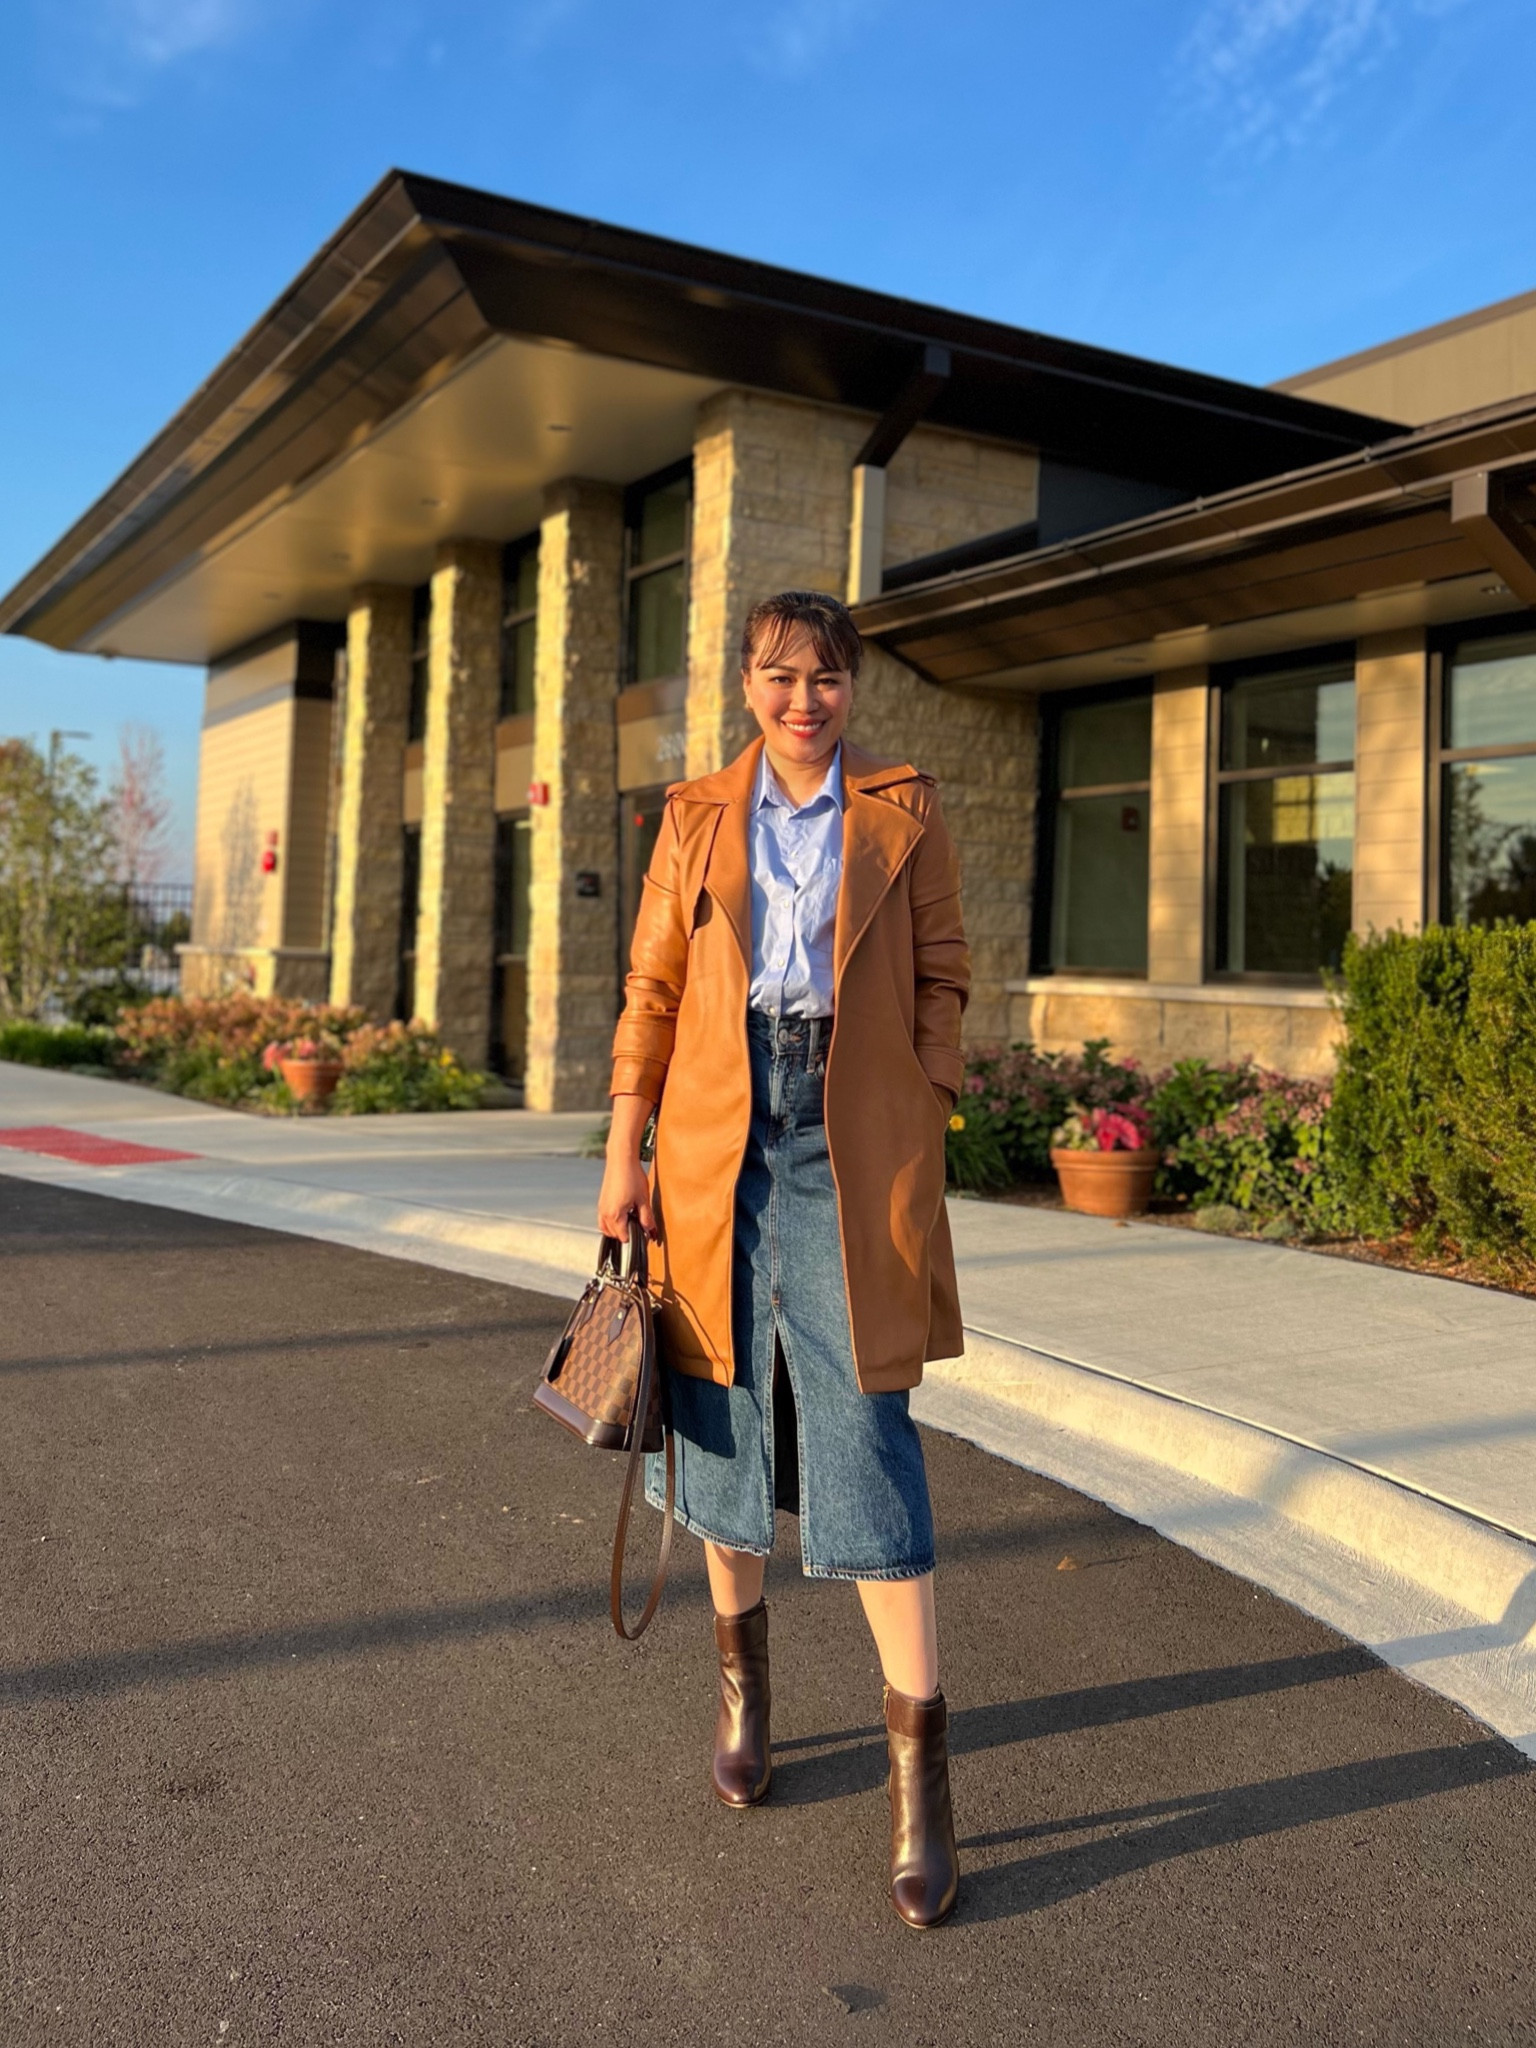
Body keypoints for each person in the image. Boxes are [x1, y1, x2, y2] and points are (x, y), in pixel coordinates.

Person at [599, 588, 969, 1928]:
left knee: (869, 1428)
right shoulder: (697, 814)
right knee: (720, 1410)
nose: (801, 699)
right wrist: (623, 1150)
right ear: (746, 686)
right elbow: (650, 988)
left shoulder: (905, 812)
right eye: (776, 675)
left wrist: (920, 1091)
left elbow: (945, 973)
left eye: (823, 678)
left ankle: (921, 1774)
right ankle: (745, 1684)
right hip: (712, 1139)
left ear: (851, 689)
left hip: (847, 1138)